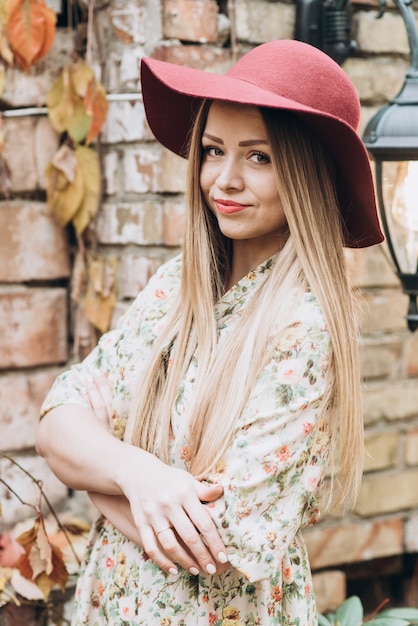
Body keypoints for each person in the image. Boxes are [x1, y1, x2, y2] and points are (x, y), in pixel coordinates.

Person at [36, 39, 383, 625]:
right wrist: (138, 474)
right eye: (214, 150)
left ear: (306, 173)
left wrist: (98, 483)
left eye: (259, 157)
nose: (223, 179)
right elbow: (56, 422)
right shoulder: (176, 288)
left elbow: (222, 543)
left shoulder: (303, 328)